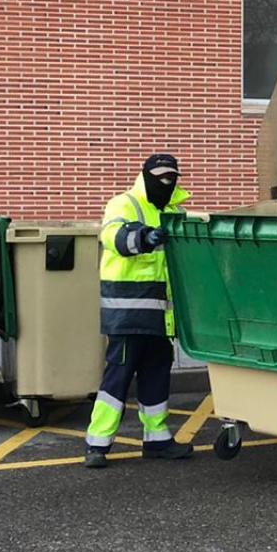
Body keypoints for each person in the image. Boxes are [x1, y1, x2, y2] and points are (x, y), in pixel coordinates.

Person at [86, 153, 194, 467]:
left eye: (171, 176)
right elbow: (113, 237)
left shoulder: (176, 212)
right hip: (127, 314)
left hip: (161, 316)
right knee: (116, 380)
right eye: (159, 175)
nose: (165, 182)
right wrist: (143, 237)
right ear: (144, 174)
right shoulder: (124, 203)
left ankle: (157, 439)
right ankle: (97, 444)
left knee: (156, 378)